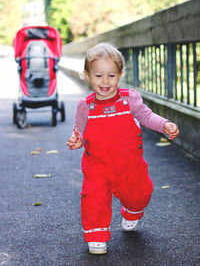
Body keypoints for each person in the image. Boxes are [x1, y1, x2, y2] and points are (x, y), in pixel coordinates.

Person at [67, 43, 179, 255]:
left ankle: (132, 211)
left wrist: (164, 124)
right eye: (98, 75)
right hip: (97, 167)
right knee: (93, 198)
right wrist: (77, 139)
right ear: (87, 75)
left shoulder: (129, 99)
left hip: (129, 166)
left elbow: (146, 116)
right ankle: (96, 235)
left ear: (120, 74)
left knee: (139, 194)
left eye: (111, 75)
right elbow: (79, 129)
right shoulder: (86, 105)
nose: (105, 81)